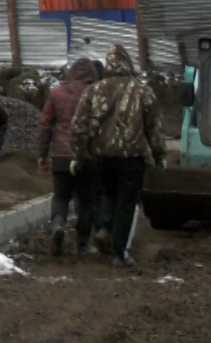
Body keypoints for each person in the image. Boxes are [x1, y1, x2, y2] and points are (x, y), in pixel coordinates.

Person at [69, 44, 166, 267]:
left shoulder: (93, 90)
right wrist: (159, 155)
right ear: (128, 63)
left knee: (108, 195)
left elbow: (78, 125)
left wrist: (80, 153)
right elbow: (154, 127)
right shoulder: (142, 91)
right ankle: (119, 252)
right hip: (132, 156)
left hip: (102, 156)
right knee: (126, 202)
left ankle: (103, 229)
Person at [36, 58, 98, 256]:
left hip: (61, 155)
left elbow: (45, 124)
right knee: (86, 200)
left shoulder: (57, 93)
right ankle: (83, 244)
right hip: (87, 156)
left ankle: (57, 224)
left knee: (61, 195)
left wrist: (42, 154)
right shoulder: (96, 94)